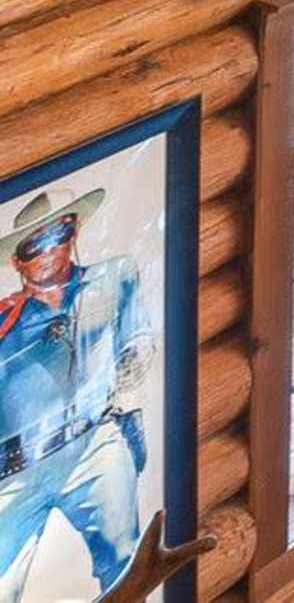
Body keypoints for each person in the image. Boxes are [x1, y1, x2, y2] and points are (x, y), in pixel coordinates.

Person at [0, 183, 156, 599]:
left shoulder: (114, 276)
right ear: (18, 260)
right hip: (16, 468)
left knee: (126, 567)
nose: (49, 250)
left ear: (74, 232)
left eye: (58, 234)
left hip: (95, 444)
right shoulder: (4, 321)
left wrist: (120, 381)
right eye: (35, 244)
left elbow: (138, 344)